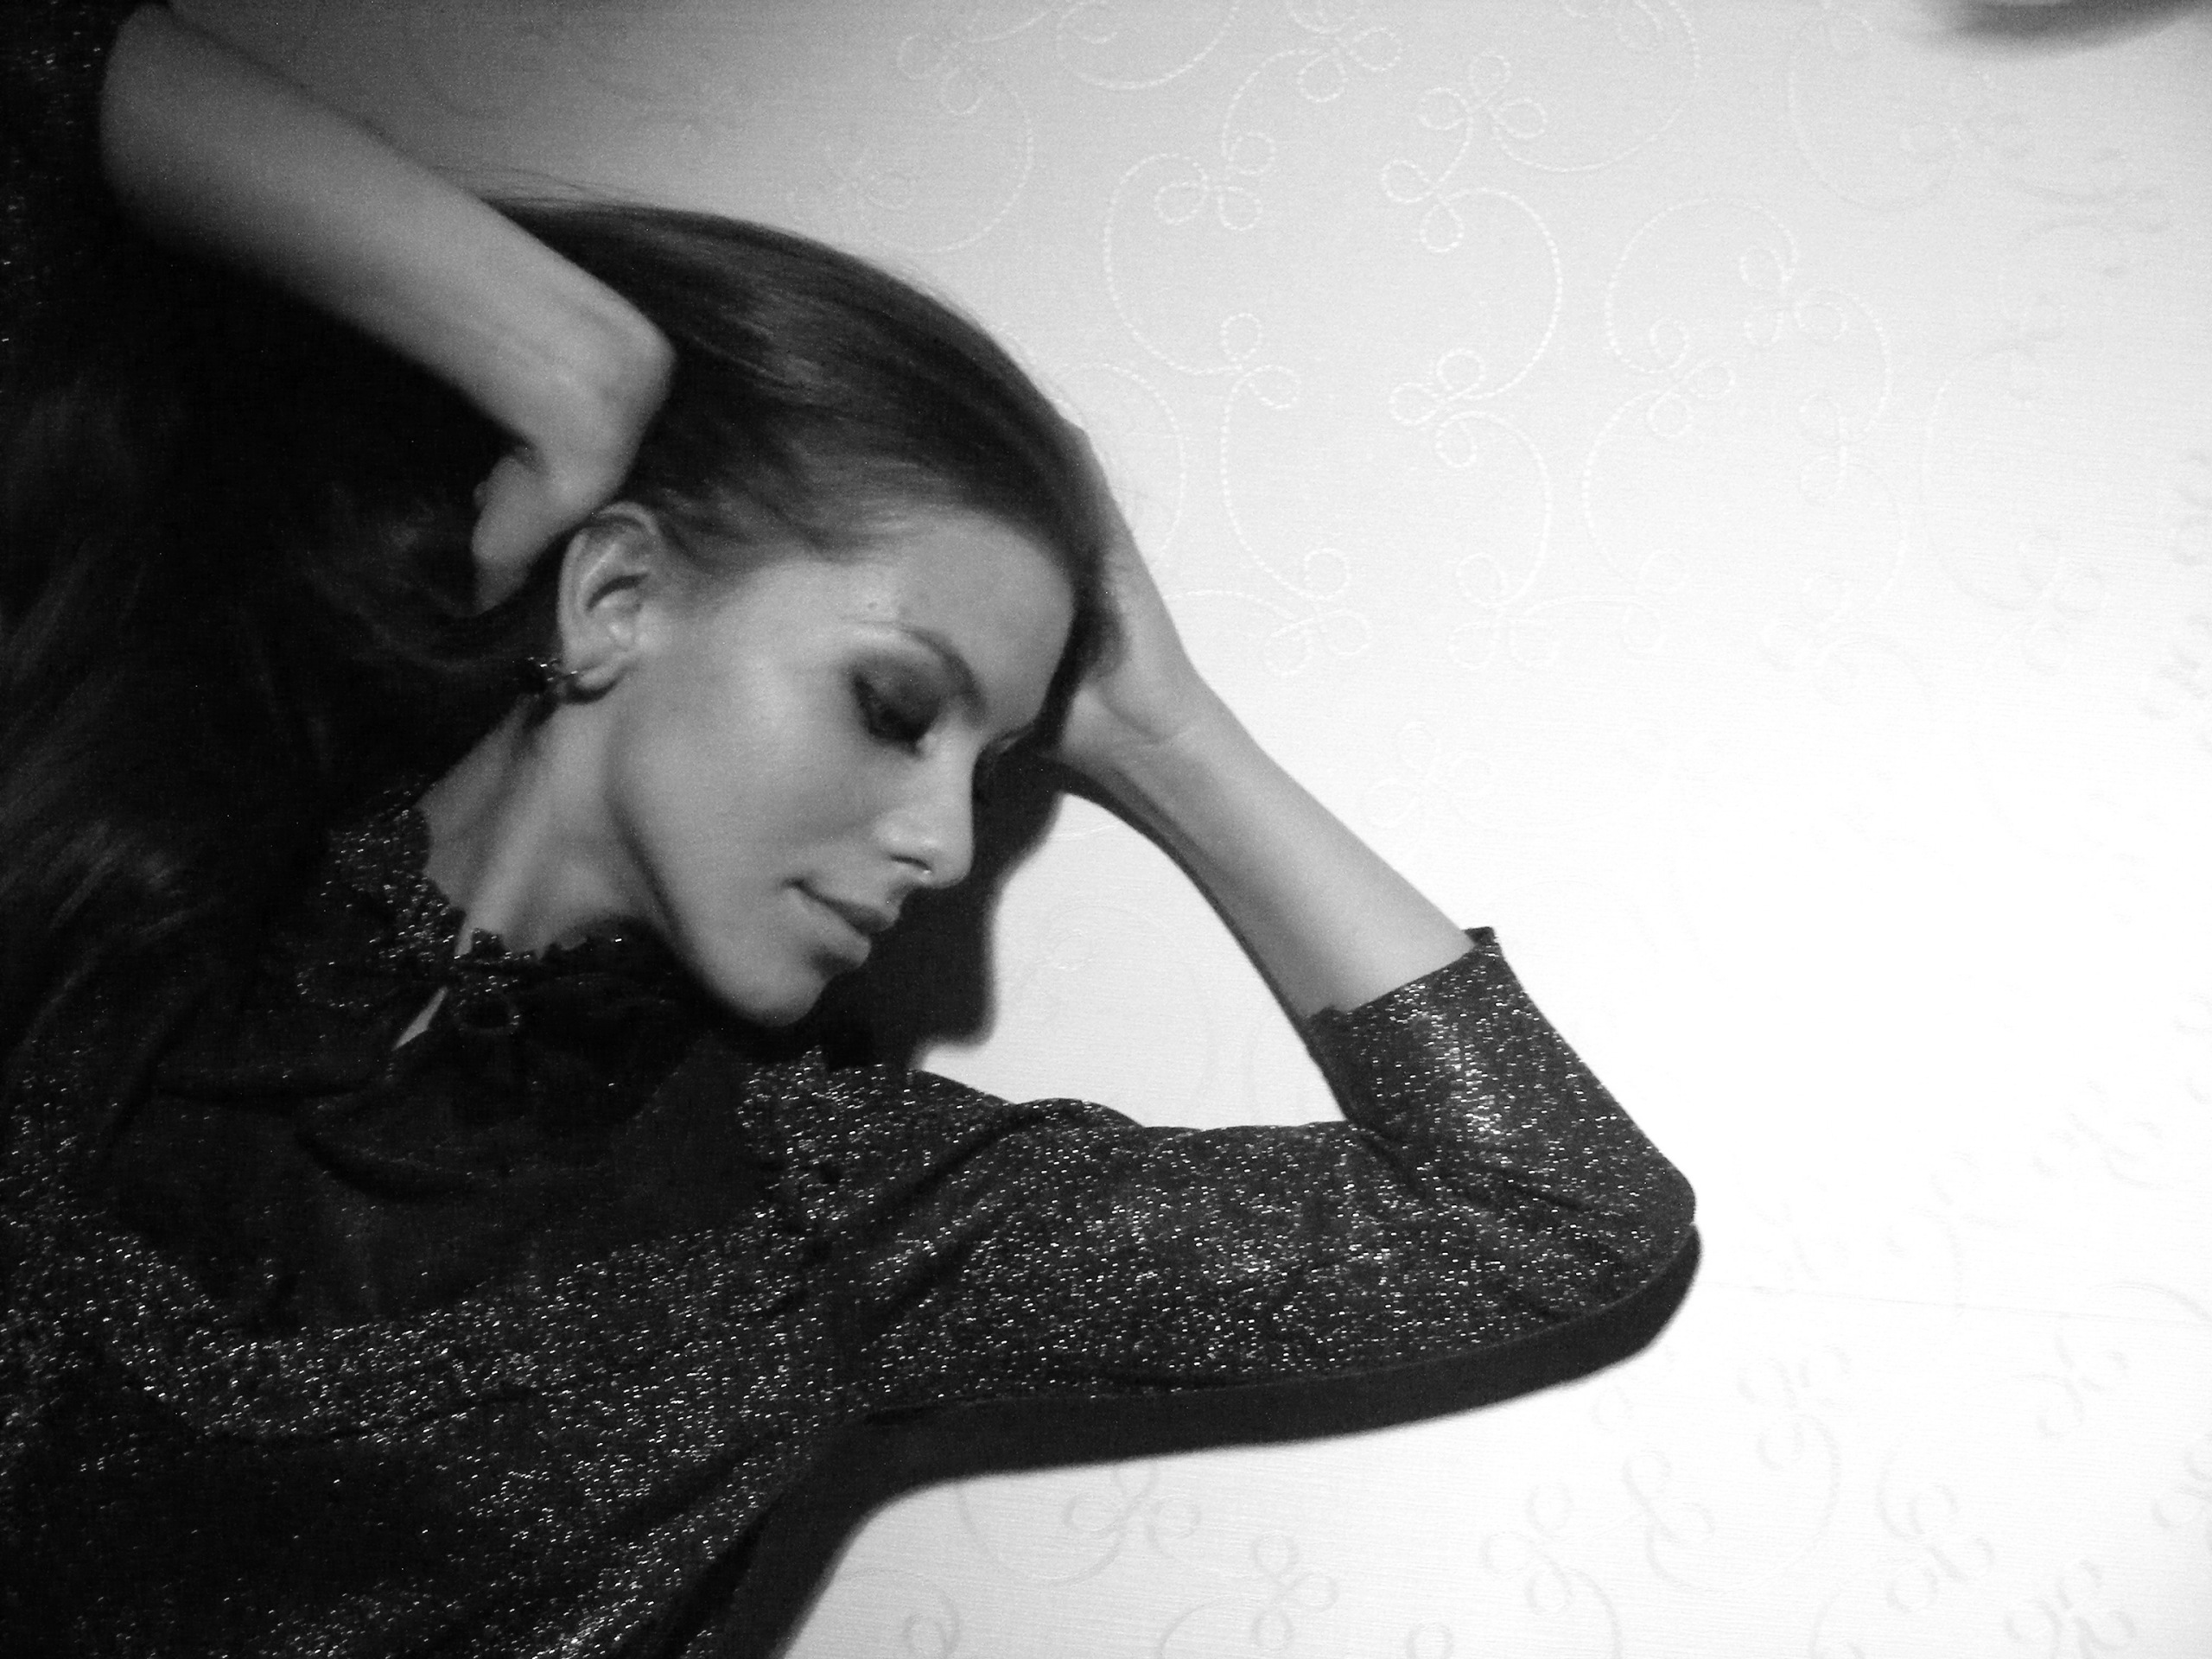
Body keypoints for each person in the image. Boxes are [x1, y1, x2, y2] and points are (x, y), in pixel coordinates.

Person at [0, 5, 1698, 1655]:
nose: (948, 848)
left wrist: (1165, 734)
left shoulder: (822, 1221)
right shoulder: (118, 836)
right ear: (616, 594)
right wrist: (572, 360)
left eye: (994, 766)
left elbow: (1546, 1214)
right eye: (895, 708)